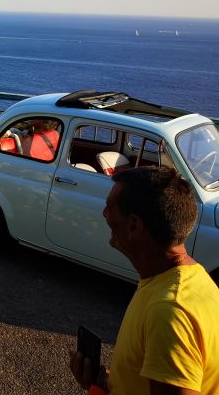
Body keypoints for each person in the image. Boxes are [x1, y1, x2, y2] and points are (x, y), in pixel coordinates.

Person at [69, 166, 219, 394]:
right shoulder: (193, 279)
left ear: (134, 226)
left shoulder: (170, 312)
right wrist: (109, 384)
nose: (104, 214)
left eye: (110, 208)